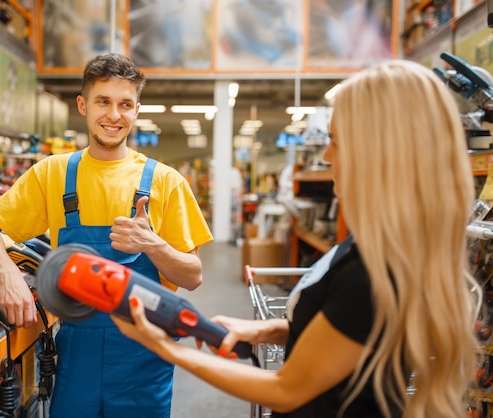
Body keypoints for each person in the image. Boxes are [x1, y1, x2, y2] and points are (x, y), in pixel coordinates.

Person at [112, 59, 482, 418]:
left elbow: (286, 388)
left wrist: (166, 349)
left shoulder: (374, 272)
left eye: (336, 141)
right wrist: (264, 330)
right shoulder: (376, 244)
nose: (326, 154)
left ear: (376, 152)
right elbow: (347, 332)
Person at [0, 53, 213, 418]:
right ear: (83, 105)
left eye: (125, 104)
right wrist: (8, 276)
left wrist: (153, 244)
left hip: (144, 359)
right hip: (76, 355)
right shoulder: (53, 173)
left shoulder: (165, 181)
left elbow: (192, 276)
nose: (114, 115)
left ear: (137, 110)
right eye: (104, 101)